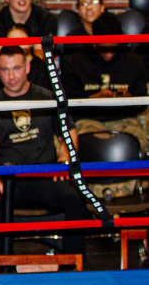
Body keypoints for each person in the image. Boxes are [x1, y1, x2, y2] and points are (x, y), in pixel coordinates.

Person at [0, 46, 90, 258]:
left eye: (17, 68)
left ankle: (74, 265)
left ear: (27, 67)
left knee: (75, 196)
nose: (12, 76)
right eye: (5, 70)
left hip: (45, 177)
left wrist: (63, 162)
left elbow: (69, 135)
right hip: (9, 181)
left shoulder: (47, 98)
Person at [62, 17, 148, 197]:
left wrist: (128, 98)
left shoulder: (132, 60)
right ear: (94, 41)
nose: (108, 54)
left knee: (135, 141)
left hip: (124, 118)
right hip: (88, 118)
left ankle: (124, 192)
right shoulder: (75, 60)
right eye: (103, 48)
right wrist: (93, 98)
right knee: (85, 143)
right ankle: (93, 193)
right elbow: (68, 102)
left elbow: (141, 101)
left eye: (113, 48)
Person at [0, 23, 52, 94]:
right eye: (12, 41)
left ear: (31, 42)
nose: (17, 45)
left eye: (20, 40)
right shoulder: (1, 70)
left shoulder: (43, 68)